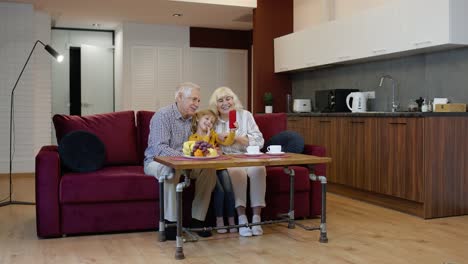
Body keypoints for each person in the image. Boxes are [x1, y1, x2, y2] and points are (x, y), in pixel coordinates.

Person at [144, 82, 217, 240]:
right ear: (179, 97)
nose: (197, 104)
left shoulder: (195, 119)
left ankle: (198, 221)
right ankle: (171, 224)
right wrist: (184, 158)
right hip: (157, 162)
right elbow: (159, 148)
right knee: (171, 169)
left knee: (209, 169)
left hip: (186, 162)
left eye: (198, 100)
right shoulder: (163, 116)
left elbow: (200, 142)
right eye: (193, 99)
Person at [209, 87, 267, 237]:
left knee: (259, 170)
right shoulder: (213, 120)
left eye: (228, 98)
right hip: (229, 159)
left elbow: (259, 141)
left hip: (249, 156)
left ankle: (256, 218)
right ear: (216, 105)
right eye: (220, 100)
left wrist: (237, 138)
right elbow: (207, 142)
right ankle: (242, 219)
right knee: (237, 173)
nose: (225, 103)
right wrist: (216, 141)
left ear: (234, 99)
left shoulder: (245, 115)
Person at [188, 109, 238, 234]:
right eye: (206, 119)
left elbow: (227, 142)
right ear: (198, 119)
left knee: (229, 190)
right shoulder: (193, 137)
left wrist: (232, 131)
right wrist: (207, 137)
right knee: (220, 191)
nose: (209, 123)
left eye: (211, 121)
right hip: (206, 169)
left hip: (219, 167)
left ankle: (232, 222)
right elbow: (199, 150)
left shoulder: (213, 134)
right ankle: (219, 222)